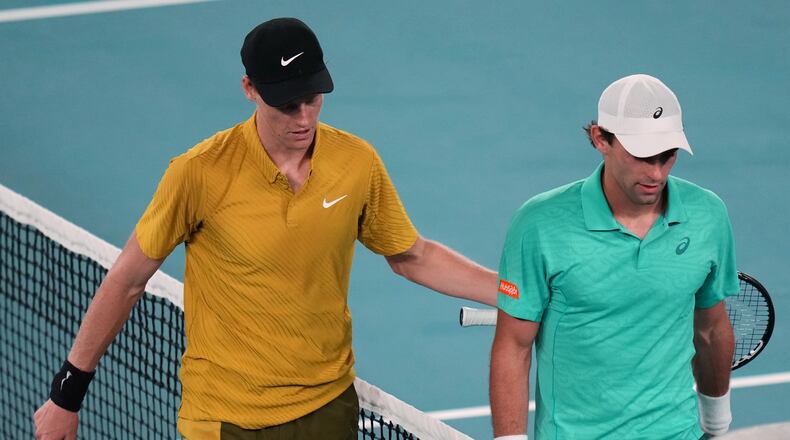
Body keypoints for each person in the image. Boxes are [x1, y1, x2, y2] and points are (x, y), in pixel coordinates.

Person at [33, 17, 497, 440]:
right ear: (249, 89)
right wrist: (67, 392)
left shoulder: (356, 162)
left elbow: (412, 255)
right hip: (228, 419)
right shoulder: (199, 173)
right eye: (287, 104)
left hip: (328, 407)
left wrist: (515, 291)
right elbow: (128, 280)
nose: (304, 118)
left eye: (313, 99)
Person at [489, 74, 737, 440]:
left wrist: (717, 426)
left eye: (667, 156)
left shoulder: (707, 215)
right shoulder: (540, 224)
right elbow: (513, 345)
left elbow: (712, 328)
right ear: (600, 139)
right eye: (640, 156)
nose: (656, 173)